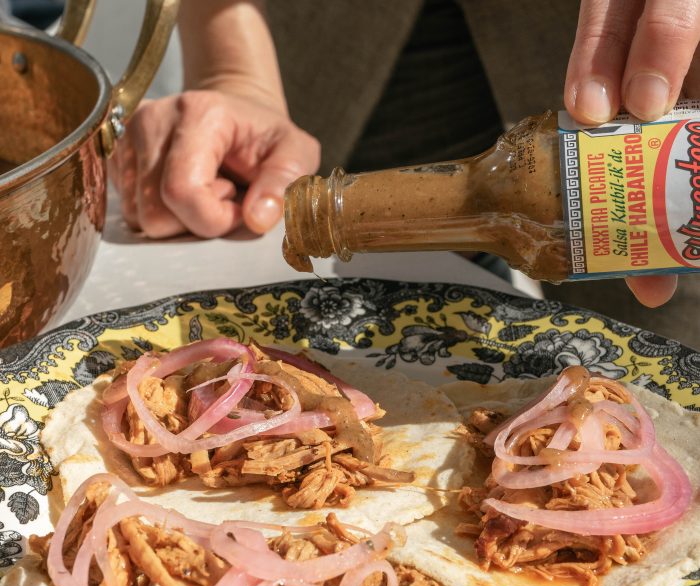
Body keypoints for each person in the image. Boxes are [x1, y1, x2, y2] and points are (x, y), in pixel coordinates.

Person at [110, 0, 700, 346]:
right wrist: (233, 71)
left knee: (666, 370)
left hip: (639, 49)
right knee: (350, 326)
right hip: (350, 37)